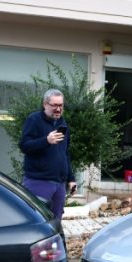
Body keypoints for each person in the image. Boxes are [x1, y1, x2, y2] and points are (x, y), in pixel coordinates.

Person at [19, 88, 76, 220]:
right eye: (54, 105)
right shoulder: (34, 120)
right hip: (39, 181)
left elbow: (65, 153)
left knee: (56, 221)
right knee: (37, 219)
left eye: (60, 105)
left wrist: (71, 179)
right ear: (45, 104)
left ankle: (57, 241)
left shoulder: (62, 123)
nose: (58, 109)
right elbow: (24, 146)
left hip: (59, 184)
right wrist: (46, 140)